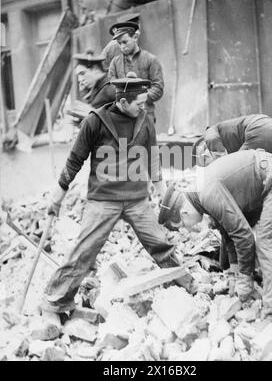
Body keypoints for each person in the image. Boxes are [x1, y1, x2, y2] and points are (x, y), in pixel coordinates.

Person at [41, 75, 194, 321]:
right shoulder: (94, 122)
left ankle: (185, 284)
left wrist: (160, 190)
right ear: (122, 101)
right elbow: (75, 160)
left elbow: (154, 156)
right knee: (85, 251)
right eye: (139, 103)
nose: (143, 107)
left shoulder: (145, 121)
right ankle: (54, 302)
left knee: (160, 243)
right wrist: (59, 192)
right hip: (103, 199)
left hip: (136, 199)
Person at [158, 148, 272, 326]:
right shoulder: (201, 194)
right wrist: (234, 273)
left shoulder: (207, 193)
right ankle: (269, 286)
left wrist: (245, 277)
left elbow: (243, 235)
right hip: (267, 183)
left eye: (184, 225)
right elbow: (228, 233)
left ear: (184, 213)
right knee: (258, 244)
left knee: (267, 243)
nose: (191, 228)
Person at [108, 21, 164, 124]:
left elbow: (158, 88)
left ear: (135, 37)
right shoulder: (115, 63)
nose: (122, 46)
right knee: (123, 140)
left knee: (144, 140)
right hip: (122, 116)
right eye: (119, 43)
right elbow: (110, 87)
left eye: (125, 42)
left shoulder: (150, 59)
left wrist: (138, 98)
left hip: (145, 114)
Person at [192, 114, 272, 166]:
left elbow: (211, 138)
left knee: (236, 169)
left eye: (204, 160)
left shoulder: (210, 132)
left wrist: (220, 160)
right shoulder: (224, 132)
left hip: (261, 130)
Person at [69, 50, 115, 126]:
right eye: (78, 75)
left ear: (95, 70)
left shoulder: (111, 88)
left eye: (82, 73)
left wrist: (94, 114)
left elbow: (125, 119)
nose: (80, 79)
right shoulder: (96, 87)